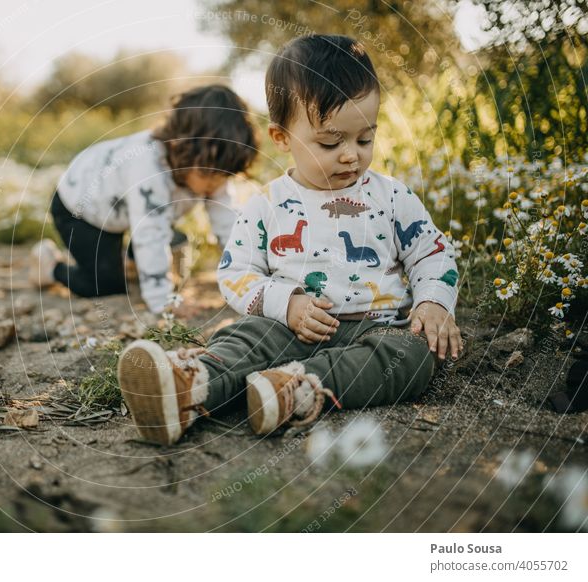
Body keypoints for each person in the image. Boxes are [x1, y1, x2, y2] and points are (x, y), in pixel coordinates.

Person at [117, 34, 463, 445]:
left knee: (414, 357)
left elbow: (433, 253)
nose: (351, 155)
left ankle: (294, 388)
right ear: (282, 138)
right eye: (330, 142)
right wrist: (286, 303)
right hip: (287, 327)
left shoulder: (391, 196)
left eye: (365, 138)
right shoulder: (267, 205)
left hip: (378, 329)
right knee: (245, 336)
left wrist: (433, 302)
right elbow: (236, 273)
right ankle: (190, 384)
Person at [29, 84, 259, 315]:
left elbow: (228, 223)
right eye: (208, 175)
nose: (215, 185)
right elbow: (150, 233)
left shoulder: (211, 166)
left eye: (225, 175)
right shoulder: (149, 167)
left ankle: (131, 263)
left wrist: (248, 275)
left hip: (125, 213)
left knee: (167, 241)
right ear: (181, 148)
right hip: (80, 210)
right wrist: (163, 300)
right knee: (106, 285)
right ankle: (49, 267)